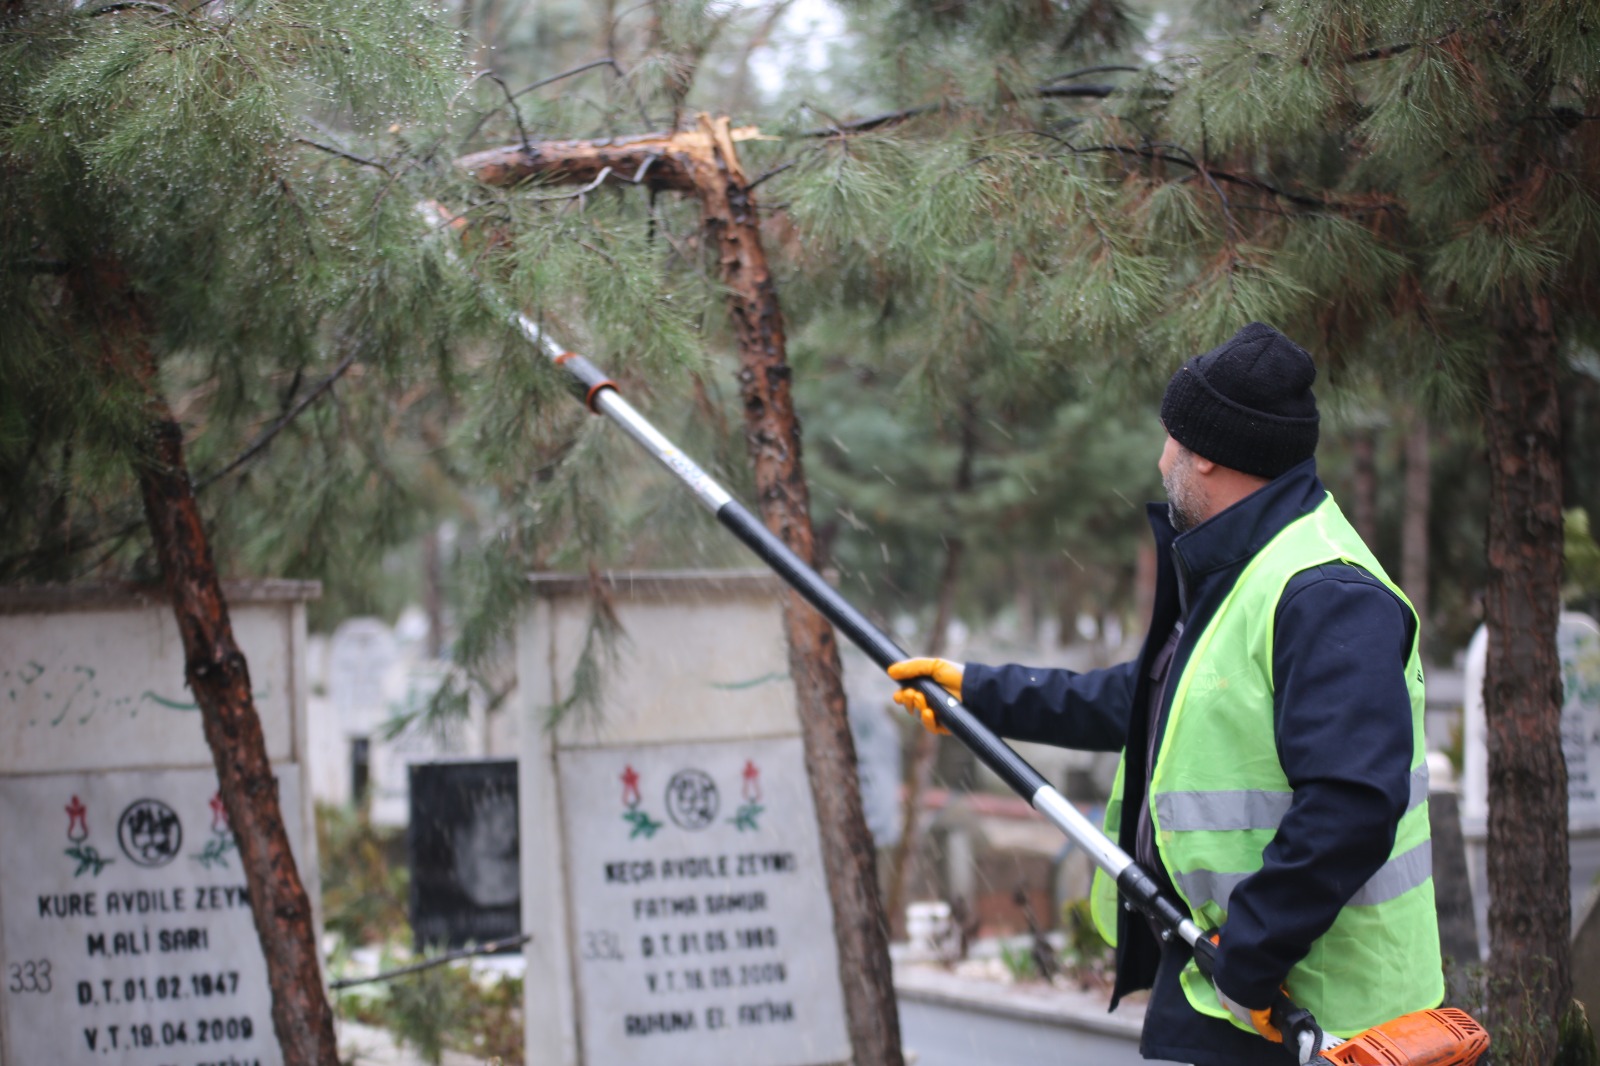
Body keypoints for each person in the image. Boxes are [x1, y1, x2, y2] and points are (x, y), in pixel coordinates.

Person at [888, 323, 1443, 1066]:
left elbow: (1349, 806)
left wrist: (1251, 956)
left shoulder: (1323, 592)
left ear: (1206, 453)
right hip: (1238, 981)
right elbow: (1158, 704)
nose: (1161, 461)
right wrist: (985, 694)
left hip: (1318, 1011)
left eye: (1170, 442)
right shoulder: (1246, 571)